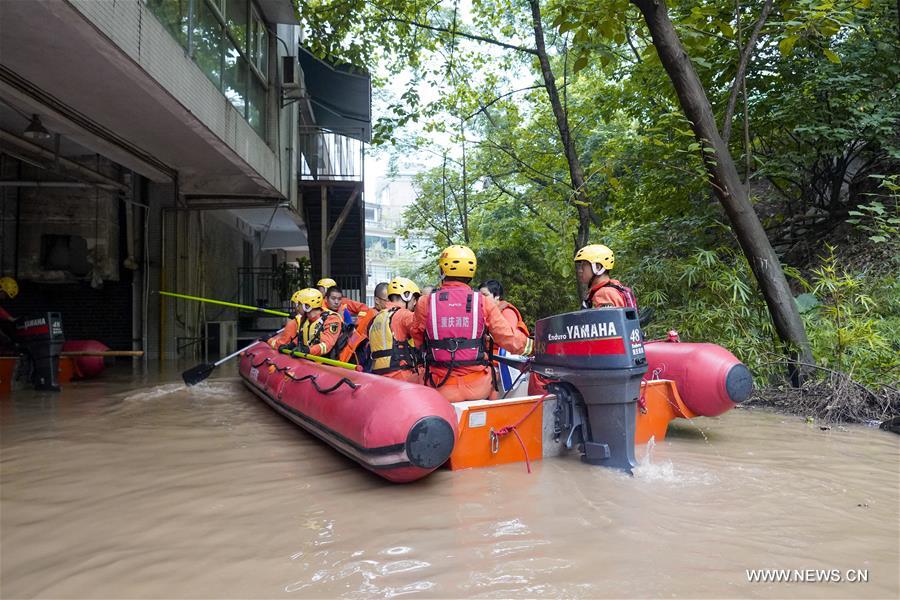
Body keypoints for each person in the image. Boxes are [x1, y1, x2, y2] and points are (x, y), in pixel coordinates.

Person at [412, 245, 533, 403]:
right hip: (478, 387)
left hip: (440, 386)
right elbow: (509, 338)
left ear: (442, 271)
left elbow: (417, 338)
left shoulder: (425, 302)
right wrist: (535, 347)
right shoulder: (482, 301)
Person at [478, 279, 530, 393]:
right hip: (489, 358)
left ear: (497, 297)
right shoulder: (484, 313)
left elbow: (508, 338)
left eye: (485, 295)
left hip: (504, 361)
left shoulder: (507, 312)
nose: (482, 299)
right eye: (480, 296)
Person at [369, 277, 421, 382]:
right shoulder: (403, 315)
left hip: (378, 376)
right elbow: (421, 331)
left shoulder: (377, 317)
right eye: (414, 299)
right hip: (400, 375)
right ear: (406, 296)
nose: (415, 303)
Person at [267, 288, 343, 357]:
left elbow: (326, 346)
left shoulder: (332, 319)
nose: (297, 307)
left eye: (299, 304)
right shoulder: (306, 318)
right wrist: (291, 345)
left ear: (307, 306)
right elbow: (303, 336)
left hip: (323, 363)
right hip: (309, 359)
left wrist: (307, 350)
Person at [338, 282, 389, 365]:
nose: (391, 303)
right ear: (377, 300)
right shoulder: (374, 316)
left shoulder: (380, 314)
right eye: (388, 300)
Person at [575, 244, 637, 309]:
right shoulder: (613, 287)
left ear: (597, 267)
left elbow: (606, 319)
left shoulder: (604, 294)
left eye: (584, 265)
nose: (580, 270)